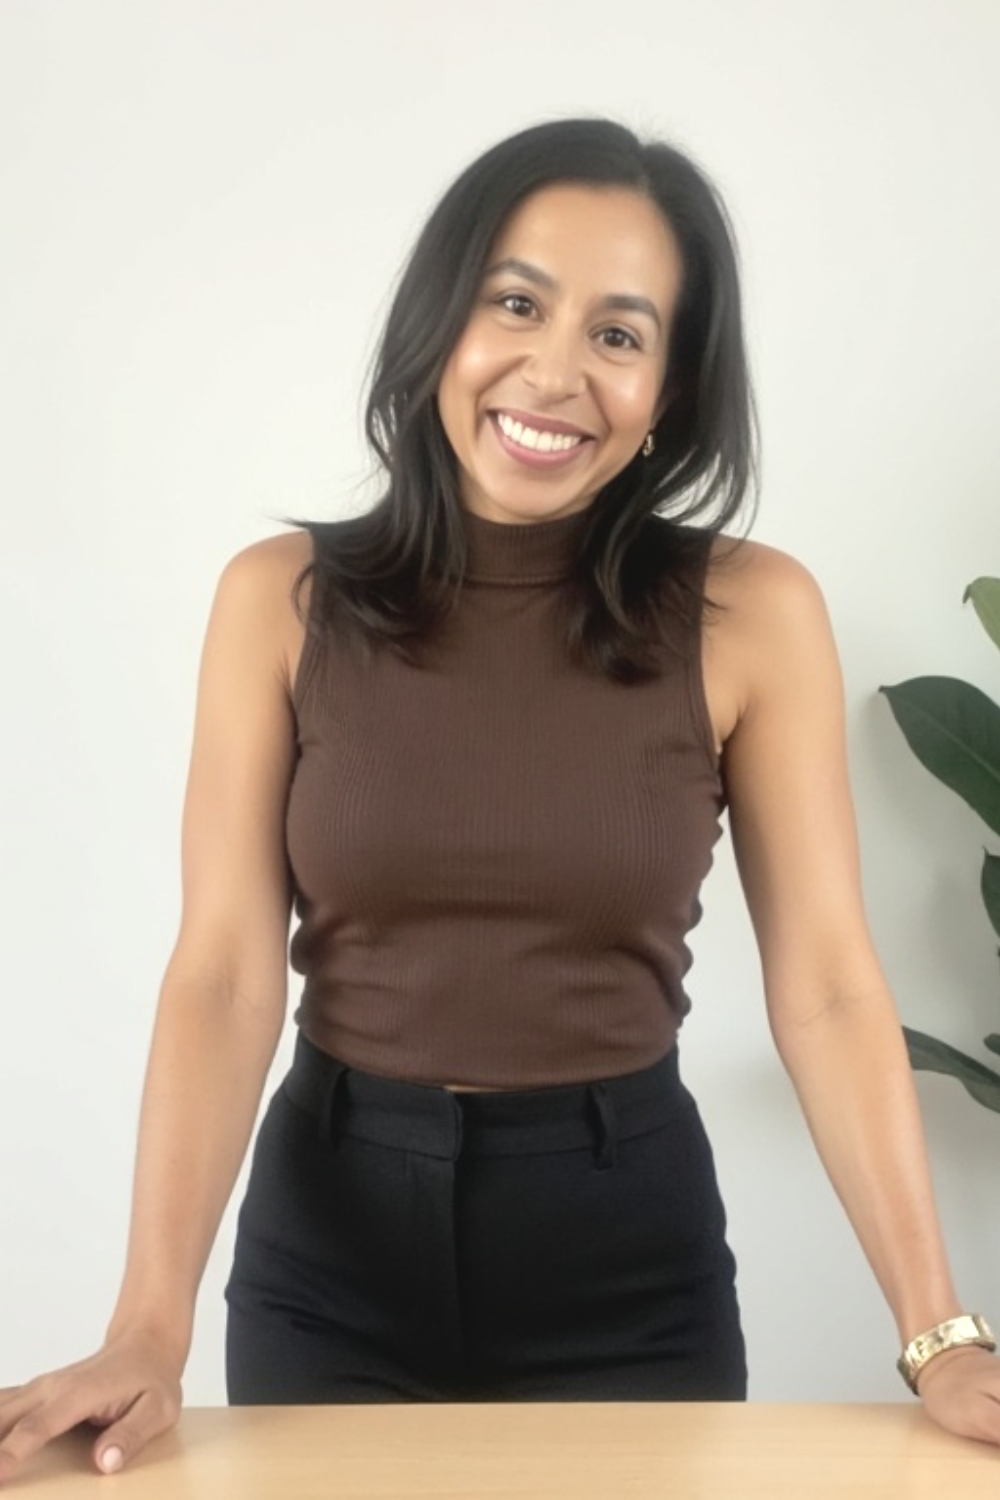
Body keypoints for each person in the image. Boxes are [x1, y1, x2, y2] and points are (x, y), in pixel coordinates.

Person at [2, 117, 999, 1484]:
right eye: (516, 303)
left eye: (619, 333)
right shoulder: (281, 601)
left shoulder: (751, 614)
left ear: (670, 389)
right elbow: (225, 975)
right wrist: (145, 1331)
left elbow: (827, 985)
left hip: (625, 1260)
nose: (556, 370)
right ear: (441, 323)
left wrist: (940, 1336)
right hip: (329, 1258)